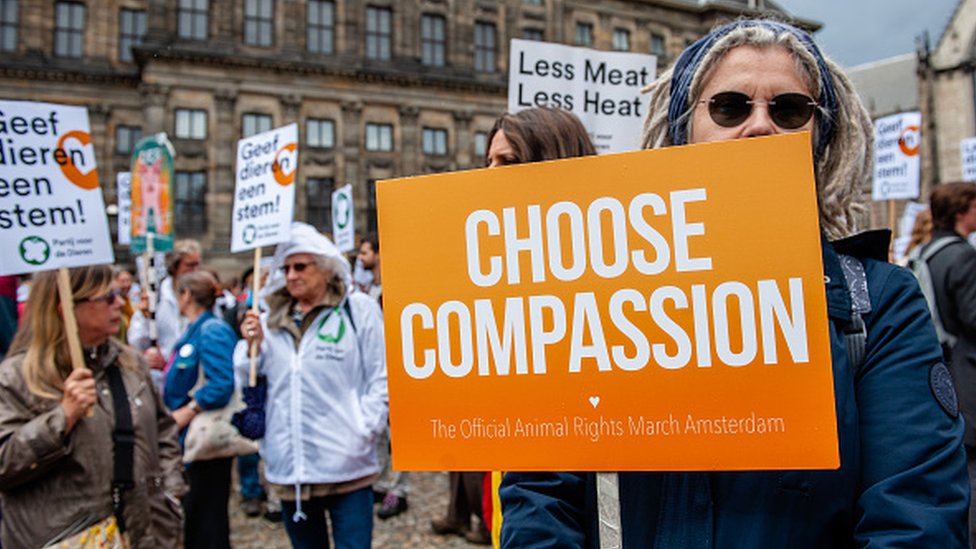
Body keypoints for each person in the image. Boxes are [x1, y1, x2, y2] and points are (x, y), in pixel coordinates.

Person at [500, 19, 969, 548]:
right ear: (682, 134)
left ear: (819, 139)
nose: (760, 126)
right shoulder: (594, 300)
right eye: (730, 107)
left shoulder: (879, 306)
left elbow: (915, 517)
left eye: (790, 110)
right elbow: (540, 495)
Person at [470, 107, 598, 547]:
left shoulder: (601, 292)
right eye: (487, 162)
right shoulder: (485, 281)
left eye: (508, 162)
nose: (489, 176)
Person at [0, 265, 185, 548]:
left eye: (120, 294)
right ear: (66, 308)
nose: (121, 304)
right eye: (108, 297)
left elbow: (163, 430)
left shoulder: (130, 363)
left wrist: (170, 491)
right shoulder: (17, 377)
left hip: (143, 532)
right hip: (68, 537)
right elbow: (5, 463)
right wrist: (62, 418)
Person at [236, 221, 388, 549]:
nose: (291, 275)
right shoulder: (267, 321)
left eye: (300, 266)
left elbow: (381, 375)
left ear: (325, 268)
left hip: (348, 467)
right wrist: (253, 347)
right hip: (291, 469)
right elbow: (247, 380)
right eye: (286, 267)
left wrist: (365, 428)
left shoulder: (356, 309)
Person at [163, 271, 237, 549]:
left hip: (205, 438)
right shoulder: (193, 329)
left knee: (208, 519)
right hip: (188, 439)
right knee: (197, 516)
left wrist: (191, 407)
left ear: (187, 295)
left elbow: (222, 382)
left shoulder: (212, 330)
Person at [921, 181, 976, 538]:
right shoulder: (963, 256)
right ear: (961, 211)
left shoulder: (927, 252)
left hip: (945, 368)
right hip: (967, 369)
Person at [129, 239, 202, 372]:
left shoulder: (203, 295)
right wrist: (145, 318)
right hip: (162, 376)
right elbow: (136, 341)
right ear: (174, 267)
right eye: (190, 265)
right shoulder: (155, 297)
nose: (195, 270)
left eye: (198, 265)